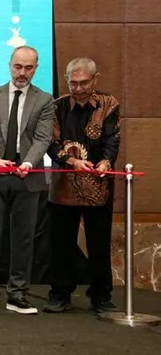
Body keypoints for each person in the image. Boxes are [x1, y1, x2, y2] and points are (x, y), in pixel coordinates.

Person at [0, 45, 55, 315]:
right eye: (18, 66)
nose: (22, 73)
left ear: (36, 68)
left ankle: (18, 293)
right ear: (10, 65)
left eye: (28, 68)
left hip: (27, 175)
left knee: (24, 237)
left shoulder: (45, 100)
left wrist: (29, 163)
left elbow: (43, 137)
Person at [43, 58, 120, 314]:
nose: (78, 89)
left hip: (99, 185)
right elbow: (51, 143)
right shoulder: (57, 106)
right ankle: (60, 294)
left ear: (95, 79)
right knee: (61, 243)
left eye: (84, 83)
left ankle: (101, 296)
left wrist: (106, 162)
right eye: (73, 83)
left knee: (99, 242)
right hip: (64, 185)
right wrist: (72, 161)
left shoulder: (108, 104)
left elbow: (112, 138)